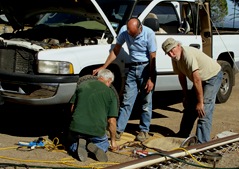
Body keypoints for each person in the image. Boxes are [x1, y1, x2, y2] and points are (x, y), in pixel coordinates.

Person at [93, 17, 157, 142]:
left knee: (146, 102)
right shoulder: (124, 31)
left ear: (140, 28)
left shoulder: (149, 33)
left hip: (146, 68)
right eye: (129, 33)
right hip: (133, 68)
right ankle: (118, 130)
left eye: (133, 34)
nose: (131, 36)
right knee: (127, 101)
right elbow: (116, 50)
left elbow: (153, 56)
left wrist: (151, 78)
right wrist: (104, 66)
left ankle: (144, 130)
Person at [161, 37, 223, 144]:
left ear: (178, 46)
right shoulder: (175, 58)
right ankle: (182, 135)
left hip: (212, 76)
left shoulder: (187, 56)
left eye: (172, 50)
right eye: (168, 53)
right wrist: (186, 96)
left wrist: (200, 102)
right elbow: (181, 76)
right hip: (201, 80)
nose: (171, 54)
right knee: (189, 107)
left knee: (204, 110)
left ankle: (202, 144)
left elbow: (196, 79)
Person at [67, 69, 118, 162]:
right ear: (109, 80)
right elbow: (112, 121)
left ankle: (78, 144)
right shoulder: (111, 93)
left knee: (71, 143)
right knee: (104, 145)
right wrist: (113, 142)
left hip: (77, 128)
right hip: (96, 131)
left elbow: (72, 108)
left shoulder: (82, 86)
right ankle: (91, 146)